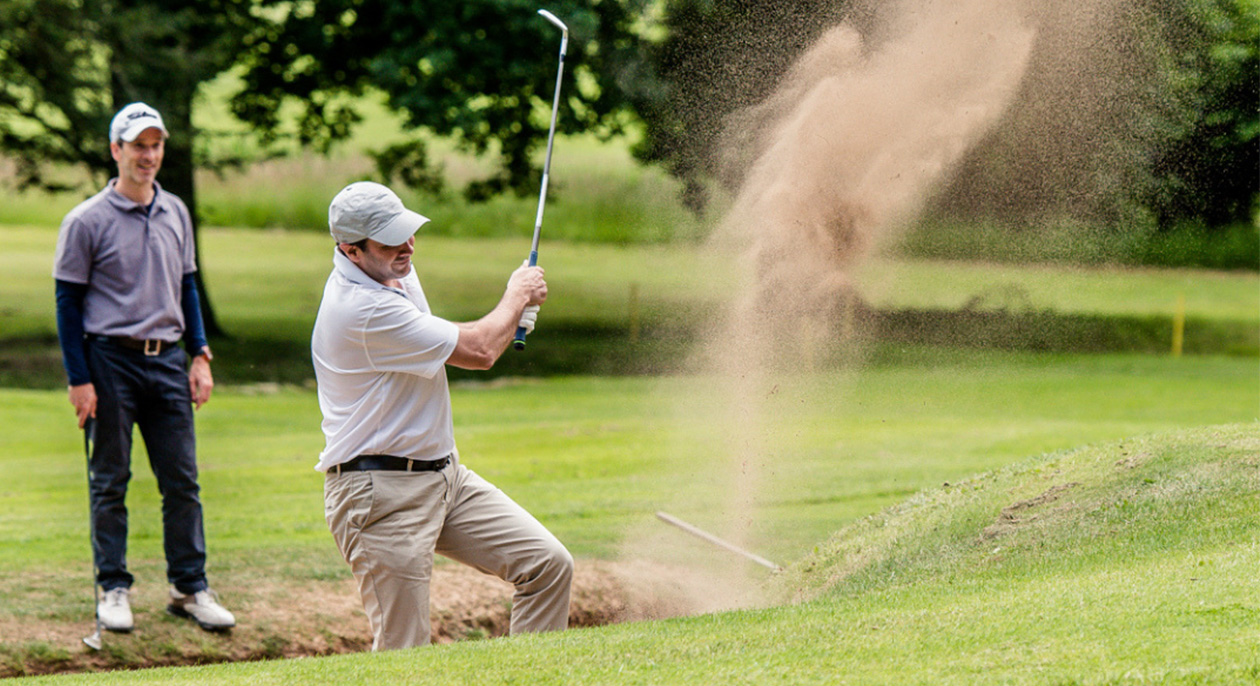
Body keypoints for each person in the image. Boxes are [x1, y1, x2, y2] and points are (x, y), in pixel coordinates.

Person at [313, 181, 572, 651]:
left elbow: (469, 336)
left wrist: (516, 314)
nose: (408, 245)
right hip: (379, 495)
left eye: (407, 232)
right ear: (351, 250)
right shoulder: (361, 309)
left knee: (547, 565)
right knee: (404, 653)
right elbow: (478, 351)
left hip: (445, 477)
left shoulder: (390, 269)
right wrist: (516, 297)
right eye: (390, 239)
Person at [52, 102, 235, 633]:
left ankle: (189, 586)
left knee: (182, 480)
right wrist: (78, 379)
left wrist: (199, 355)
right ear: (117, 151)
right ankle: (112, 587)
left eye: (155, 145)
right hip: (109, 360)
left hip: (169, 361)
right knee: (110, 480)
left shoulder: (176, 211)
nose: (148, 155)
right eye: (138, 146)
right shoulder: (86, 221)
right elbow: (67, 303)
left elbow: (187, 286)